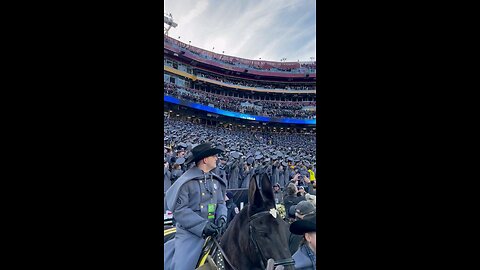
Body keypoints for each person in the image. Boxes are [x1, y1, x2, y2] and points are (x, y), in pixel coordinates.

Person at [164, 143, 228, 270]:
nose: (216, 158)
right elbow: (180, 210)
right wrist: (203, 226)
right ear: (205, 159)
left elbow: (221, 203)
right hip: (190, 235)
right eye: (214, 156)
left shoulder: (215, 181)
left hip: (215, 233)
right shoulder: (186, 182)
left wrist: (222, 218)